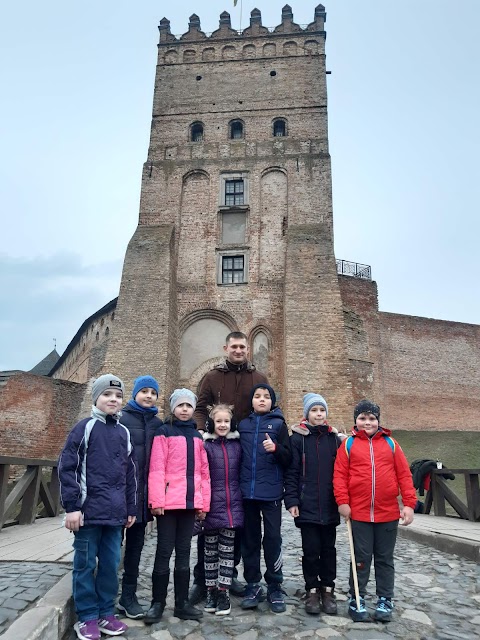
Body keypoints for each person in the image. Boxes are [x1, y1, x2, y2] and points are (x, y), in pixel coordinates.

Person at [190, 330, 268, 604]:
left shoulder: (258, 378)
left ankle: (228, 574)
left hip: (244, 451)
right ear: (226, 348)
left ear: (247, 349)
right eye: (233, 346)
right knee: (209, 518)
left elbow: (266, 407)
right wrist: (201, 432)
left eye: (242, 347)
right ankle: (202, 580)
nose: (238, 350)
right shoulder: (212, 377)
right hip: (214, 450)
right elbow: (200, 408)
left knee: (235, 520)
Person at [59, 374, 137, 640]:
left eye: (117, 396)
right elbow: (68, 468)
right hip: (88, 514)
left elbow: (130, 474)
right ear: (96, 398)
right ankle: (88, 617)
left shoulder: (124, 432)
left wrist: (130, 508)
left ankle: (106, 612)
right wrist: (71, 507)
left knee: (110, 565)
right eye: (107, 395)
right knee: (84, 565)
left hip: (115, 515)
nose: (113, 400)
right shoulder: (85, 427)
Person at [333, 399, 416, 623]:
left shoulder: (391, 444)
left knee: (384, 558)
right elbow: (340, 476)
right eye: (362, 418)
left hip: (387, 513)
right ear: (356, 421)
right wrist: (342, 501)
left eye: (371, 418)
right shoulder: (348, 445)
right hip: (359, 514)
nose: (367, 422)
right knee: (360, 557)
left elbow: (404, 475)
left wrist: (408, 503)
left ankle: (385, 598)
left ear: (378, 421)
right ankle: (357, 596)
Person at [145, 389, 211, 624]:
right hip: (168, 505)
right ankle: (157, 602)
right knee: (163, 552)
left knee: (184, 553)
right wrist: (157, 501)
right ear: (173, 408)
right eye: (180, 405)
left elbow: (204, 473)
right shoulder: (164, 432)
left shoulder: (197, 437)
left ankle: (182, 603)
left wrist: (203, 503)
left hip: (189, 503)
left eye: (189, 405)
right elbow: (156, 468)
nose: (185, 409)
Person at [284, 393, 344, 615]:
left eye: (321, 410)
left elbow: (343, 473)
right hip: (306, 503)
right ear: (307, 413)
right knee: (310, 551)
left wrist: (344, 501)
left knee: (328, 550)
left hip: (329, 504)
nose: (318, 414)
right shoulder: (297, 439)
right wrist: (291, 500)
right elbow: (291, 472)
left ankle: (327, 589)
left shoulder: (334, 440)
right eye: (314, 410)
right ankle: (311, 589)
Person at [238, 384, 292, 613]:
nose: (262, 400)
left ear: (272, 401)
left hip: (270, 493)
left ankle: (274, 584)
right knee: (249, 540)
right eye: (257, 396)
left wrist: (276, 448)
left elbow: (289, 458)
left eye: (266, 397)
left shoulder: (279, 425)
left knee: (272, 538)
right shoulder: (243, 425)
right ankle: (252, 583)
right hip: (247, 493)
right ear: (251, 401)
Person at [117, 375, 163, 619]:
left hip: (143, 498)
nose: (148, 395)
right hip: (118, 497)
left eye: (153, 392)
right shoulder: (120, 419)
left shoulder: (157, 424)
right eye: (144, 391)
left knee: (135, 550)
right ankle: (103, 597)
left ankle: (128, 596)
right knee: (112, 549)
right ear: (135, 393)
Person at [202, 404, 244, 616]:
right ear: (212, 423)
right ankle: (210, 590)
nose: (222, 425)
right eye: (218, 421)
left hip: (232, 506)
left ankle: (223, 592)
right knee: (210, 553)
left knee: (227, 553)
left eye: (226, 421)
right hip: (211, 507)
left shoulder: (238, 446)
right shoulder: (206, 447)